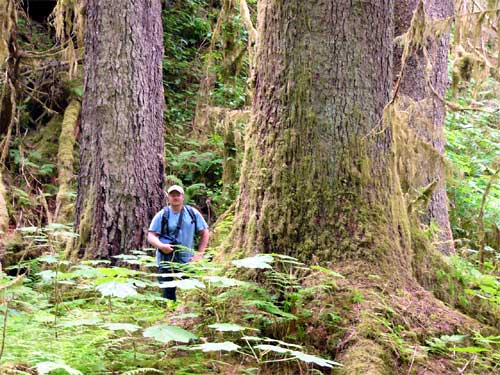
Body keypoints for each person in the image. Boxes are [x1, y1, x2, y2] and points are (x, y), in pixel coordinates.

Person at [147, 185, 209, 301]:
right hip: (166, 260)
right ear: (168, 197)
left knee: (192, 293)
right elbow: (151, 235)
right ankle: (169, 315)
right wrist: (161, 246)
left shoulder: (192, 213)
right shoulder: (163, 214)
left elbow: (205, 232)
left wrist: (199, 254)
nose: (175, 197)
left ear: (183, 197)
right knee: (168, 295)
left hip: (188, 261)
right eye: (172, 195)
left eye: (178, 195)